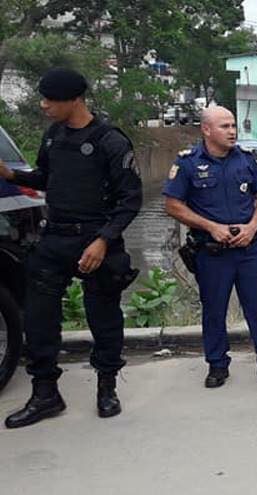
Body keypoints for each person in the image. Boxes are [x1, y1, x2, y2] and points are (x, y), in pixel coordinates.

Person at [0, 68, 142, 428]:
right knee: (38, 318)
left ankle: (106, 387)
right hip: (55, 239)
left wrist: (102, 240)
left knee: (104, 318)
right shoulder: (53, 136)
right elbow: (45, 179)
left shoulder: (111, 141)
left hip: (97, 239)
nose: (43, 105)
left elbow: (130, 200)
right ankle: (45, 393)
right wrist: (12, 176)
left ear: (74, 100)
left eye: (50, 100)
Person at [162, 106, 257, 389]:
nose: (232, 131)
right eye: (225, 126)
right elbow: (172, 205)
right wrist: (211, 227)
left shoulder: (245, 160)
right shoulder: (188, 164)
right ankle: (217, 365)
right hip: (212, 252)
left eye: (233, 126)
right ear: (206, 130)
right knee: (214, 310)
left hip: (248, 248)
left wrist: (253, 226)